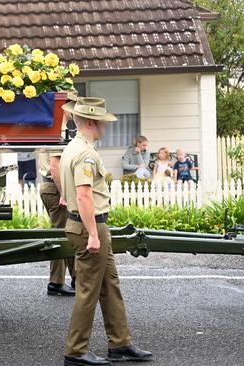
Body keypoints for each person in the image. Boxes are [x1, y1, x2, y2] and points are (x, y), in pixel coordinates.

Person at [60, 97, 152, 366]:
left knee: (110, 286)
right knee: (88, 290)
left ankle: (120, 343)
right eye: (102, 122)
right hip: (91, 225)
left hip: (89, 223)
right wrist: (92, 234)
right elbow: (84, 195)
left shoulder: (73, 146)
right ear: (91, 122)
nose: (105, 127)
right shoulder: (86, 153)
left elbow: (67, 189)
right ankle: (75, 351)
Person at [38, 113, 75, 297]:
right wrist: (64, 193)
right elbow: (55, 165)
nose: (74, 109)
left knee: (63, 234)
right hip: (54, 188)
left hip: (49, 187)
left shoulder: (49, 126)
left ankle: (73, 278)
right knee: (61, 236)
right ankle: (56, 283)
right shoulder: (57, 130)